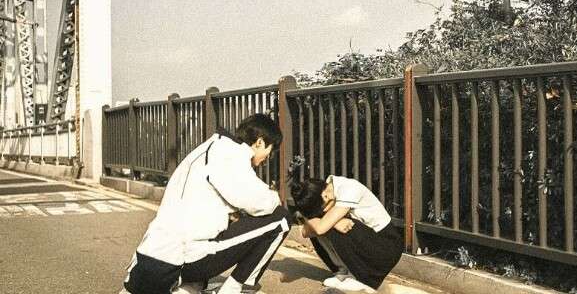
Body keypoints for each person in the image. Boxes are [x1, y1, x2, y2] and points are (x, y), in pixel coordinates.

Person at [123, 113, 292, 294]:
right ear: (259, 142)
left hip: (146, 261)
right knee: (281, 219)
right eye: (270, 151)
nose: (267, 158)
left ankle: (188, 286)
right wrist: (275, 196)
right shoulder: (232, 154)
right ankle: (235, 289)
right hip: (176, 261)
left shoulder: (207, 148)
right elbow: (261, 203)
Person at [290, 175, 403, 293]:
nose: (322, 211)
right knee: (325, 224)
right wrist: (334, 222)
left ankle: (363, 280)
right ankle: (344, 272)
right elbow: (306, 232)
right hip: (370, 244)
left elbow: (320, 228)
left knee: (333, 226)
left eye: (321, 208)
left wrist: (310, 218)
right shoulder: (327, 193)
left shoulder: (348, 189)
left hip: (386, 247)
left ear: (325, 196)